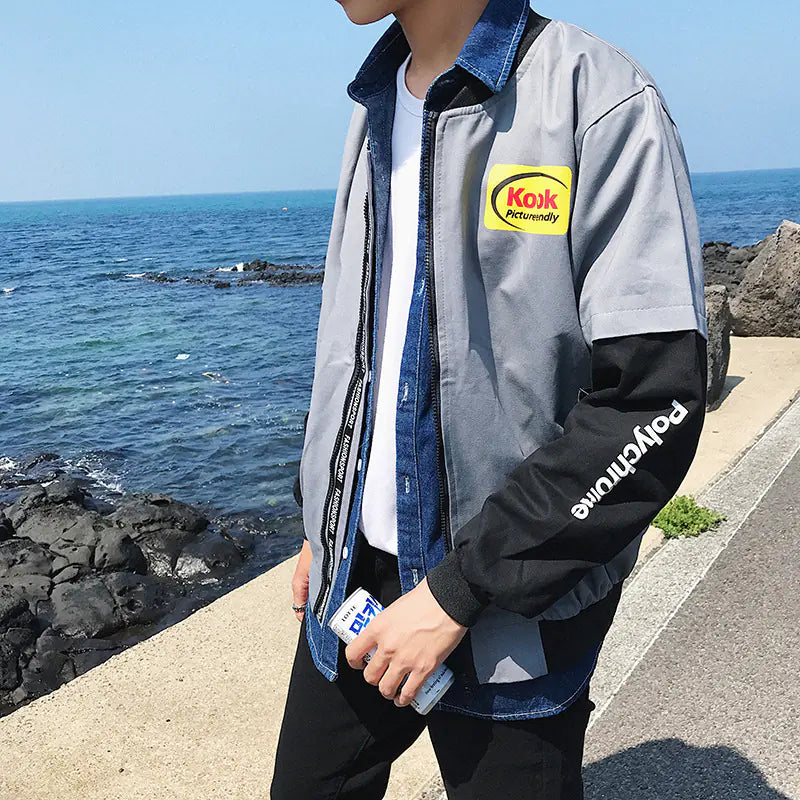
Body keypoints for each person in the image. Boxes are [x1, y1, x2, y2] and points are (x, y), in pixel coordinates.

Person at [272, 0, 709, 797]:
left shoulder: (597, 97)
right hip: (356, 576)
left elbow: (653, 401)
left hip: (512, 601)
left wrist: (458, 591)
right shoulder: (376, 105)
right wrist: (322, 515)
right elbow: (362, 344)